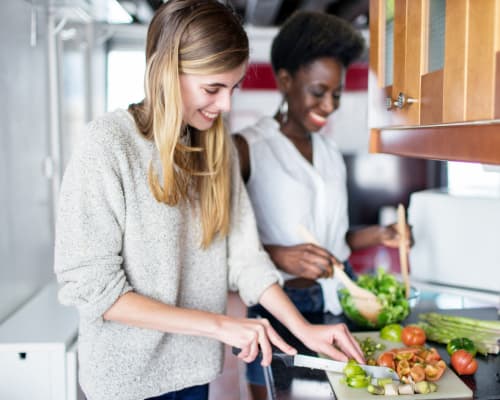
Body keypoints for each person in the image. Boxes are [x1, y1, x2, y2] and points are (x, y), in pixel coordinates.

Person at [53, 2, 365, 400]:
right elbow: (94, 289)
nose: (226, 106)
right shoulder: (109, 144)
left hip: (194, 371)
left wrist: (304, 328)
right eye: (212, 88)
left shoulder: (218, 150)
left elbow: (245, 258)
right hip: (125, 380)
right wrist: (219, 325)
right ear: (167, 71)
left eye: (232, 88)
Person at [233, 10, 412, 399]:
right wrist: (279, 255)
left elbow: (334, 238)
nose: (330, 105)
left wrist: (382, 235)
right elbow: (220, 245)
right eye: (318, 91)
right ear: (285, 80)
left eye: (337, 93)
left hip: (336, 300)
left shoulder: (330, 152)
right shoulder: (247, 148)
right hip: (278, 309)